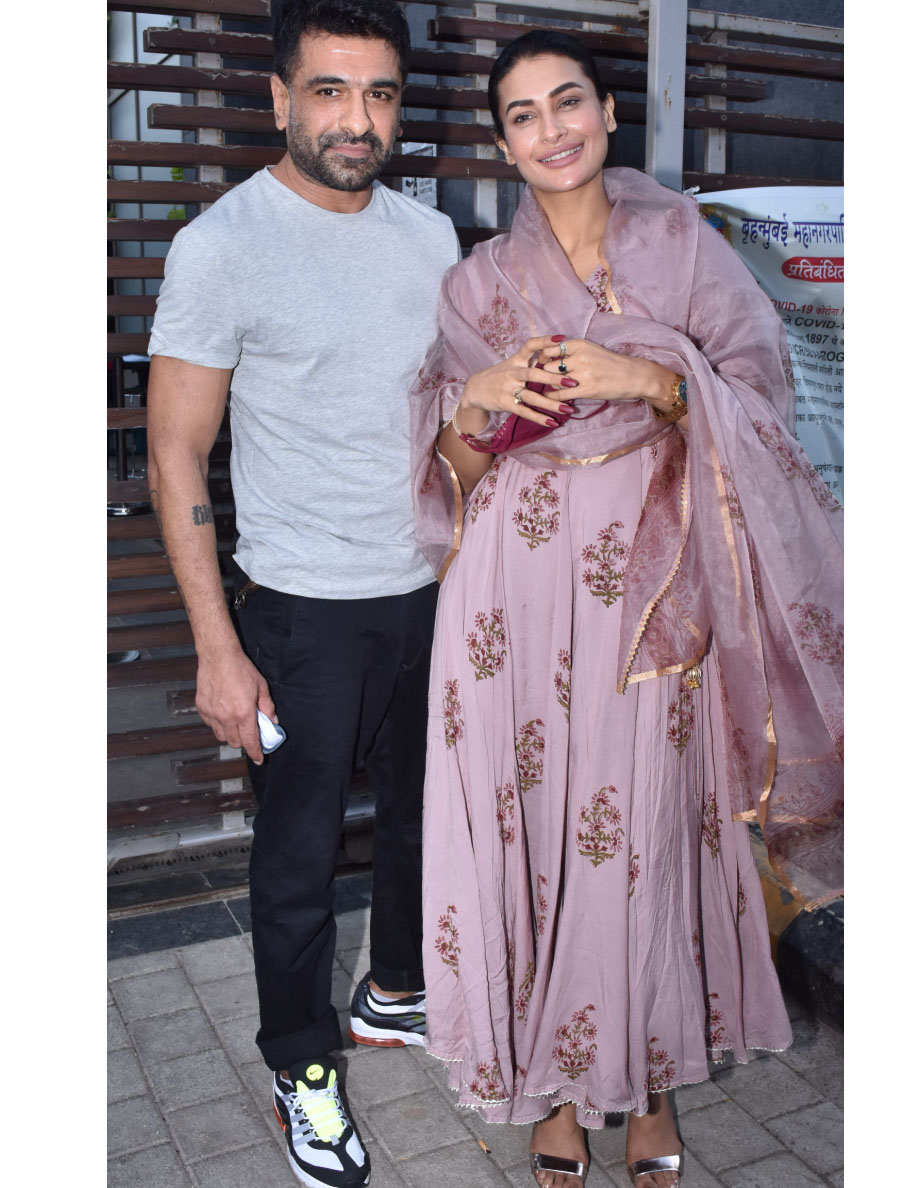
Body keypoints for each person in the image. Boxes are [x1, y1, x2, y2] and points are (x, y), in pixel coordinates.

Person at [410, 30, 843, 1188]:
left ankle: (643, 1081)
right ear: (502, 144)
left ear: (606, 114)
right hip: (510, 591)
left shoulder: (684, 249)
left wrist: (648, 379)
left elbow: (761, 403)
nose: (548, 129)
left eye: (567, 103)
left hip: (648, 582)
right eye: (521, 115)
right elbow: (451, 475)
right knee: (538, 826)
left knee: (637, 823)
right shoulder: (473, 286)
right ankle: (555, 1090)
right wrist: (474, 402)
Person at [146, 1, 459, 1183]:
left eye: (378, 93)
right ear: (279, 98)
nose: (355, 119)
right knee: (296, 861)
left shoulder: (431, 237)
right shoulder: (221, 245)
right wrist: (216, 648)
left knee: (424, 824)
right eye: (328, 90)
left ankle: (394, 993)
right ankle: (301, 1068)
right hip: (300, 613)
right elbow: (175, 454)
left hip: (425, 590)